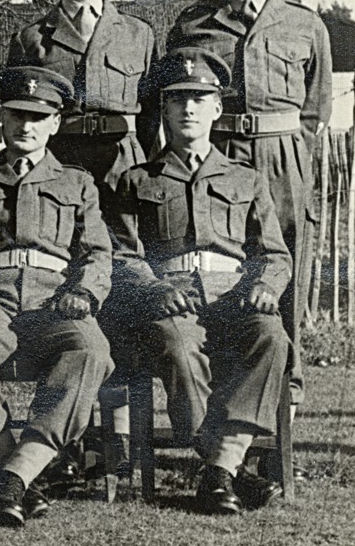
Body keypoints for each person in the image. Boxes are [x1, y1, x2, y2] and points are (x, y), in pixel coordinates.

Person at [110, 48, 291, 514]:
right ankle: (228, 470)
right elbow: (123, 255)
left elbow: (272, 252)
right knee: (176, 345)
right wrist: (154, 289)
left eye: (199, 98)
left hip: (235, 295)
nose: (188, 108)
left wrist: (266, 284)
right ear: (164, 110)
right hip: (174, 300)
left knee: (272, 337)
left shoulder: (245, 179)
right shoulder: (136, 180)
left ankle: (219, 469)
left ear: (216, 108)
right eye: (177, 99)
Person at [166, 0, 330, 409]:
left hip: (282, 159)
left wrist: (291, 161)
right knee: (221, 267)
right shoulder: (193, 24)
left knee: (285, 271)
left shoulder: (304, 25)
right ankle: (225, 392)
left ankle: (289, 389)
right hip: (220, 158)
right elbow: (176, 94)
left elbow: (315, 109)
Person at [0, 65, 113, 527]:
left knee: (90, 347)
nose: (26, 125)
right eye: (17, 115)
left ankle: (13, 477)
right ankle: (16, 473)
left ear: (55, 122)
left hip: (55, 302)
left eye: (39, 116)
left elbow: (97, 253)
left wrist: (84, 293)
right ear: (2, 117)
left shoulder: (77, 183)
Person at [7, 0, 158, 212]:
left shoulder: (138, 35)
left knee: (126, 250)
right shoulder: (31, 39)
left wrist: (146, 170)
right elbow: (17, 115)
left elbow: (152, 116)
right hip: (58, 161)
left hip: (123, 163)